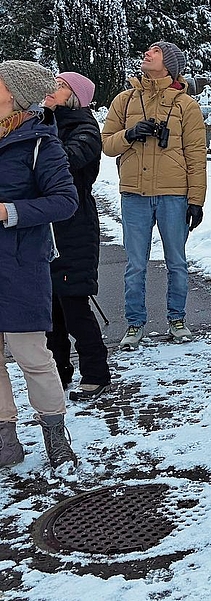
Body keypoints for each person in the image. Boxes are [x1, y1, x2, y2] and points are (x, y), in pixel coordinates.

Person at [102, 42, 207, 348]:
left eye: (156, 52)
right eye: (147, 50)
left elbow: (196, 156)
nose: (147, 53)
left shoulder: (186, 106)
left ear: (169, 64)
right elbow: (106, 144)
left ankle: (177, 319)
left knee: (176, 262)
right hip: (134, 194)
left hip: (173, 195)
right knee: (136, 264)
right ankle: (135, 324)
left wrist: (196, 200)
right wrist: (130, 133)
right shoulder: (125, 100)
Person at [0, 60, 79, 468]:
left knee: (31, 355)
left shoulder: (40, 143)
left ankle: (54, 433)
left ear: (15, 95)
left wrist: (8, 211)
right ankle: (5, 440)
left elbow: (65, 201)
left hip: (20, 263)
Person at [43, 72, 111, 401]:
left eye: (60, 86)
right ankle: (58, 370)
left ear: (75, 96)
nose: (51, 89)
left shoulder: (85, 129)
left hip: (74, 227)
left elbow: (63, 163)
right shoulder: (45, 122)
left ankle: (96, 373)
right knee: (50, 309)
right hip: (48, 228)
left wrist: (41, 133)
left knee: (74, 307)